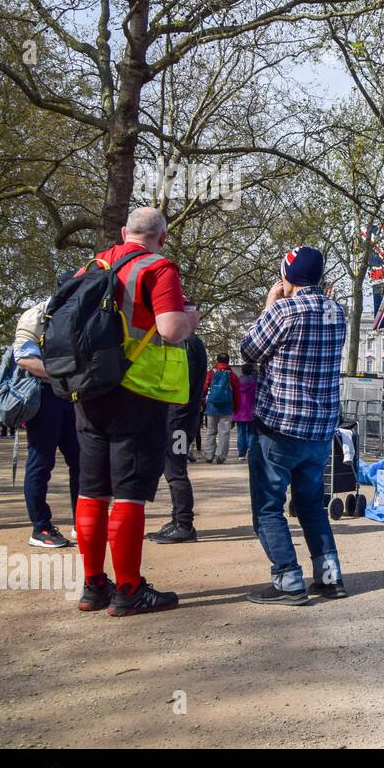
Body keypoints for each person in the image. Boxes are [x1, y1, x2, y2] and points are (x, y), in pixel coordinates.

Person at [73, 207, 198, 616]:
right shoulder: (159, 268)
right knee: (129, 494)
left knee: (92, 490)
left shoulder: (93, 265)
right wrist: (191, 317)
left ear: (126, 233)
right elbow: (170, 329)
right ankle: (128, 589)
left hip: (90, 390)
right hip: (137, 391)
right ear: (162, 238)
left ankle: (94, 586)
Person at [241, 245, 347, 605]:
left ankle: (287, 579)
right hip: (320, 429)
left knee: (268, 506)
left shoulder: (284, 310)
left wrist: (270, 304)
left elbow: (250, 350)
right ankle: (329, 573)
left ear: (286, 276)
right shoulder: (338, 312)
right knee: (311, 504)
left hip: (281, 425)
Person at [12, 296, 80, 548]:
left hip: (72, 397)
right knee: (41, 463)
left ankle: (82, 522)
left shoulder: (84, 314)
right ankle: (40, 528)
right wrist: (63, 377)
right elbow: (24, 358)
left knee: (82, 461)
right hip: (44, 396)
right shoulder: (36, 315)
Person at [150, 332, 207, 545]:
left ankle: (183, 524)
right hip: (181, 419)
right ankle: (178, 520)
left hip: (178, 421)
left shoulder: (185, 343)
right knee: (175, 469)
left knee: (176, 471)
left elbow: (177, 382)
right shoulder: (191, 342)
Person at [202, 352, 240, 464]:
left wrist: (202, 400)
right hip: (226, 408)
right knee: (224, 433)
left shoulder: (211, 373)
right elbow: (237, 394)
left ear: (217, 361)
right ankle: (220, 456)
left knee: (210, 431)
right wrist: (236, 409)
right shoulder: (232, 375)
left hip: (211, 407)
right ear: (228, 362)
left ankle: (209, 455)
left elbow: (204, 387)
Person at [233, 362, 257, 459]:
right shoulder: (255, 381)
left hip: (240, 410)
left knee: (241, 432)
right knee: (251, 432)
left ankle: (241, 453)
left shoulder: (238, 381)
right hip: (252, 409)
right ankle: (251, 450)